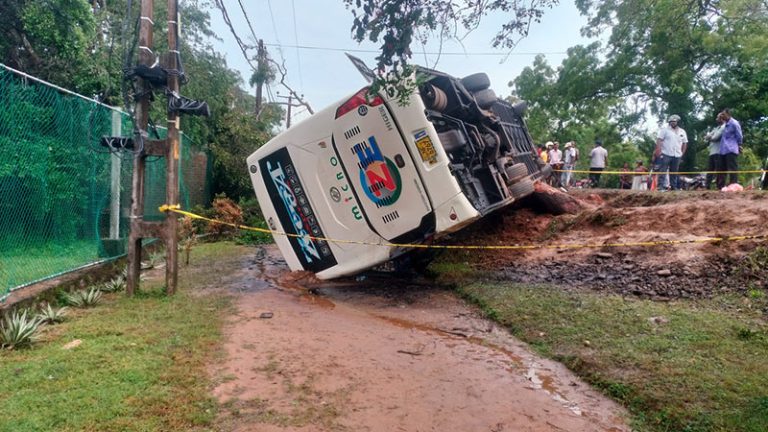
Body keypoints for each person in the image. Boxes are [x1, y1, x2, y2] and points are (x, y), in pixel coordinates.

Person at [654, 114, 688, 191]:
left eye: (674, 121)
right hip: (666, 153)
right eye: (671, 121)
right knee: (663, 170)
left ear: (677, 122)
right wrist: (658, 150)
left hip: (677, 154)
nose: (672, 123)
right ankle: (660, 187)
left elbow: (685, 143)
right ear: (669, 122)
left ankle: (673, 187)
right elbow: (659, 140)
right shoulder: (665, 130)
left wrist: (682, 153)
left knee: (674, 172)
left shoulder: (682, 131)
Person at [718, 108, 743, 188]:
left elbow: (739, 135)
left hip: (731, 149)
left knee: (732, 168)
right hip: (723, 150)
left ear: (728, 114)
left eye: (723, 114)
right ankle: (721, 186)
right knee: (721, 168)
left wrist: (739, 145)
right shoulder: (725, 124)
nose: (722, 116)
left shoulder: (734, 123)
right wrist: (719, 118)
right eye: (722, 114)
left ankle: (733, 185)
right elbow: (719, 123)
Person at [704, 113, 726, 189]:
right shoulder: (716, 128)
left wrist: (709, 137)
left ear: (722, 119)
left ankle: (719, 186)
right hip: (712, 152)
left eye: (717, 118)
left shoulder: (724, 127)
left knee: (719, 170)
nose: (716, 119)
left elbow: (715, 138)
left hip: (719, 152)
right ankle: (707, 186)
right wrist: (709, 137)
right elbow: (706, 137)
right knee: (710, 170)